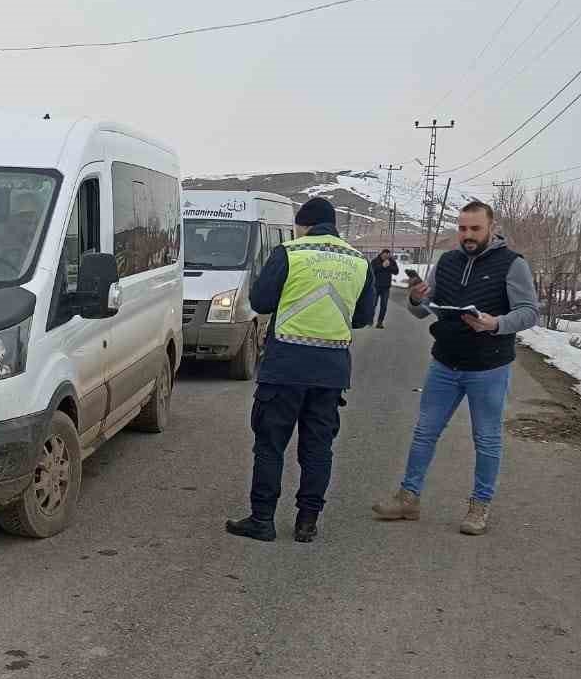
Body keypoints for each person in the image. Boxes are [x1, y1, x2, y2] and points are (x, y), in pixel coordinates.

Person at [372, 200, 538, 535]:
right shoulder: (446, 262)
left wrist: (496, 323)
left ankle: (479, 506)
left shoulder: (512, 264)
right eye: (463, 229)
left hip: (489, 368)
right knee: (424, 432)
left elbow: (529, 311)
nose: (468, 235)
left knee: (486, 439)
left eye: (475, 228)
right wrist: (416, 299)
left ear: (491, 228)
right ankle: (409, 498)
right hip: (445, 363)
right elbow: (424, 311)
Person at [226, 197, 374, 544]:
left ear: (303, 225)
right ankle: (307, 522)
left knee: (270, 444)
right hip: (331, 372)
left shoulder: (290, 252)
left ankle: (262, 519)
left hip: (285, 368)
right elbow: (364, 317)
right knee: (318, 447)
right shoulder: (358, 261)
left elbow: (261, 301)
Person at [370, 248, 397, 327]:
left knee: (384, 306)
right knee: (373, 305)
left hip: (386, 288)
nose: (386, 258)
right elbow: (372, 271)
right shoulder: (375, 261)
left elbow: (396, 271)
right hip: (376, 287)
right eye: (385, 256)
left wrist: (388, 266)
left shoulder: (391, 261)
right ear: (381, 254)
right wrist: (382, 266)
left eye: (388, 256)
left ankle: (380, 322)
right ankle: (370, 320)